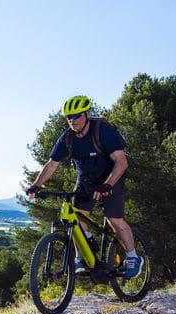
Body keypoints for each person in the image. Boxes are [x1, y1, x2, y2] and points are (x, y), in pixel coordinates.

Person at [26, 95, 143, 279]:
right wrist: (36, 185)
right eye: (69, 117)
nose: (72, 121)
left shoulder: (102, 130)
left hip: (111, 176)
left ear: (87, 113)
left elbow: (121, 161)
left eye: (77, 116)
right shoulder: (67, 138)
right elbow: (52, 164)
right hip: (87, 179)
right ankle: (83, 253)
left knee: (114, 219)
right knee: (76, 218)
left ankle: (132, 256)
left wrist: (108, 185)